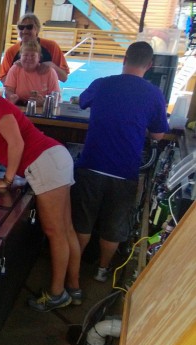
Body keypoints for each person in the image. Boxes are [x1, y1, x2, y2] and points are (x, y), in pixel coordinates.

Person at [0, 67, 80, 312]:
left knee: (55, 231)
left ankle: (57, 294)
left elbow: (17, 141)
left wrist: (6, 178)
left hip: (43, 162)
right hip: (52, 159)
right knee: (65, 229)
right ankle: (73, 287)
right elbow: (3, 141)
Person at [72, 41, 168, 283]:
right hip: (125, 171)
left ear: (124, 59)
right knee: (112, 228)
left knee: (82, 223)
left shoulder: (102, 83)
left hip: (91, 164)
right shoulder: (154, 93)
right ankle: (102, 270)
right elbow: (158, 134)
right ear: (150, 65)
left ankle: (71, 269)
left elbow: (81, 101)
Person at [0, 13, 70, 82]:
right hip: (20, 92)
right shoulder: (11, 51)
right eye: (21, 27)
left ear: (37, 29)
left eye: (29, 27)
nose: (25, 31)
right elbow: (3, 78)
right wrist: (17, 70)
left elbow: (64, 78)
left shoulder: (51, 47)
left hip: (45, 91)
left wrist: (52, 66)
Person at [4, 40, 61, 106]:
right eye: (25, 55)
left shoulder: (49, 72)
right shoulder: (15, 69)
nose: (29, 58)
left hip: (42, 109)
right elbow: (8, 90)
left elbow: (56, 97)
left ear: (39, 58)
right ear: (20, 57)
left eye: (33, 56)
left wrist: (44, 102)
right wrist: (12, 97)